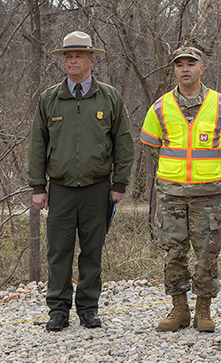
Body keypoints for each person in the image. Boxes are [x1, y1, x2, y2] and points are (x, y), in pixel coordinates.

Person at [27, 31, 134, 332]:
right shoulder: (49, 98)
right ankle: (58, 310)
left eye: (78, 56)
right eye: (68, 56)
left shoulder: (109, 96)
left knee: (92, 251)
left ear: (90, 59)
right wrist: (38, 186)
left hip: (97, 188)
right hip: (59, 188)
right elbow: (37, 143)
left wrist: (120, 184)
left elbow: (124, 144)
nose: (72, 60)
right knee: (58, 251)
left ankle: (88, 308)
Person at [140, 46, 221, 333]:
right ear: (174, 69)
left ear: (202, 68)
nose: (185, 69)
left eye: (191, 64)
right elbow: (151, 146)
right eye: (180, 64)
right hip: (172, 193)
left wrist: (207, 171)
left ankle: (203, 310)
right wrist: (173, 175)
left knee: (208, 253)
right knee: (174, 253)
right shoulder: (160, 107)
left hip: (208, 194)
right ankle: (179, 309)